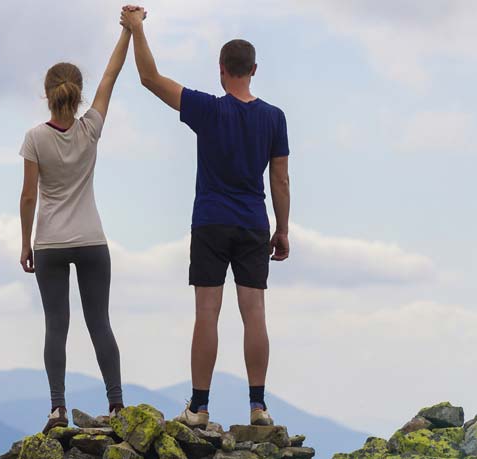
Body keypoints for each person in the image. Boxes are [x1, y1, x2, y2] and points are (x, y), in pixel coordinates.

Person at [120, 5, 293, 427]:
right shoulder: (274, 118)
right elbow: (281, 181)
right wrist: (283, 229)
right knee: (254, 312)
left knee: (207, 313)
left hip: (211, 220)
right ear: (254, 69)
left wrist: (137, 28)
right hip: (254, 221)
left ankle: (198, 407)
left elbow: (149, 79)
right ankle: (258, 406)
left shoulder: (208, 109)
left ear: (221, 69)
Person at [17, 17, 133, 433]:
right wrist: (128, 31)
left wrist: (26, 242)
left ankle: (57, 410)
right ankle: (118, 405)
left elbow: (29, 196)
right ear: (78, 93)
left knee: (56, 327)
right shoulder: (91, 129)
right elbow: (112, 74)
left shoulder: (35, 138)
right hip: (90, 239)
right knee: (99, 322)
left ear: (47, 95)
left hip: (49, 242)